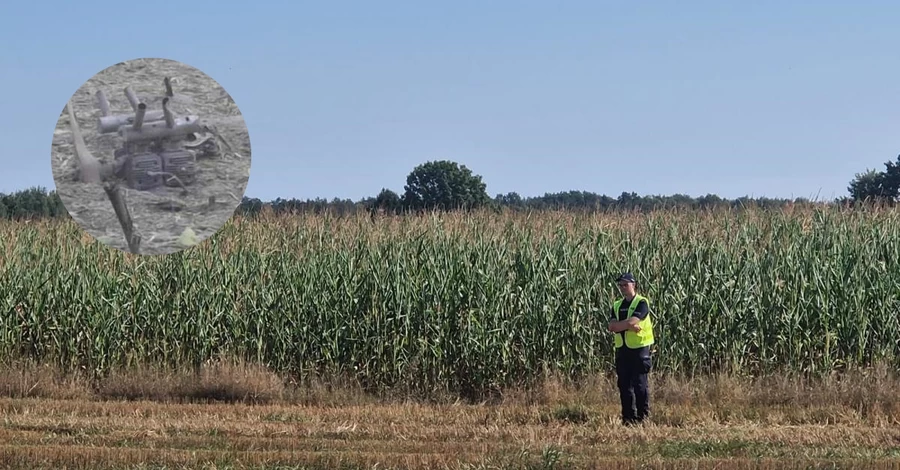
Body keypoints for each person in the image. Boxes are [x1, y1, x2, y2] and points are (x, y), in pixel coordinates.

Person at [607, 272, 655, 425]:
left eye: (625, 284)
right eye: (620, 285)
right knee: (624, 385)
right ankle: (628, 419)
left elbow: (633, 321)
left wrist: (624, 325)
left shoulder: (642, 302)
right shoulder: (617, 305)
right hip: (623, 349)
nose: (622, 287)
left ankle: (643, 418)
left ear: (633, 285)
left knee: (640, 385)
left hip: (639, 349)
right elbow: (612, 327)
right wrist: (628, 326)